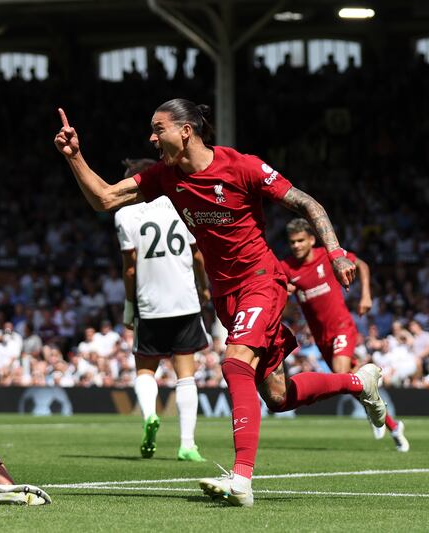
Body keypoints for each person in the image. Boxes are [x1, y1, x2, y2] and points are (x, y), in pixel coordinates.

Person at [53, 98, 386, 507]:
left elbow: (306, 202)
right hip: (227, 295)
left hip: (261, 281)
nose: (152, 137)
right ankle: (359, 381)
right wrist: (75, 157)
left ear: (185, 131)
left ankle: (242, 479)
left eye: (159, 129)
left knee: (234, 362)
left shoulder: (242, 166)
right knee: (278, 395)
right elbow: (104, 199)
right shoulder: (164, 176)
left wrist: (333, 250)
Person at [281, 218, 409, 451]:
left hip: (342, 328)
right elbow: (281, 291)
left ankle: (378, 415)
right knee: (350, 381)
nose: (296, 245)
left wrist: (366, 295)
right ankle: (392, 425)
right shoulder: (288, 267)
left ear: (311, 239)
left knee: (341, 374)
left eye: (300, 240)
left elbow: (362, 265)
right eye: (292, 242)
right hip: (321, 337)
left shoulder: (327, 256)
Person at [115, 157, 210, 462]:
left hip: (150, 303)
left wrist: (129, 307)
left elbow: (130, 269)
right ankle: (187, 445)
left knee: (145, 369)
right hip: (184, 300)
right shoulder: (182, 206)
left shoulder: (125, 214)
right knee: (186, 376)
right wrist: (204, 286)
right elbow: (198, 256)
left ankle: (149, 416)